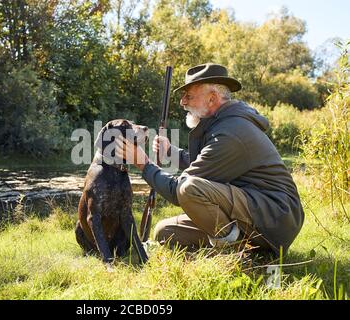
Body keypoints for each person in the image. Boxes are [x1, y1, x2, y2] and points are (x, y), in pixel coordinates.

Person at [115, 63, 304, 256]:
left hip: (274, 218)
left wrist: (143, 163)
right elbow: (209, 163)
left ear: (212, 98)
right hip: (253, 209)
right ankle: (238, 246)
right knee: (165, 231)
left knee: (188, 188)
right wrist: (172, 152)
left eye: (189, 96)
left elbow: (179, 191)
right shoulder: (223, 123)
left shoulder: (231, 132)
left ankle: (235, 255)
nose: (182, 102)